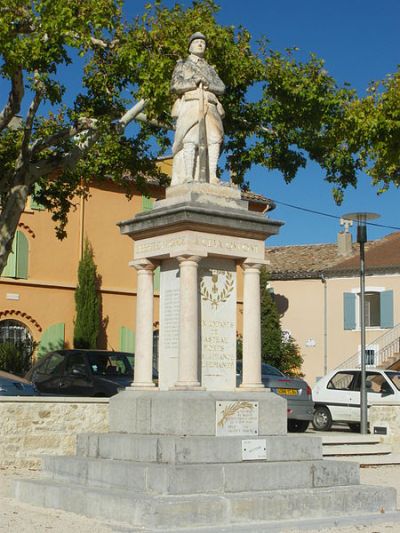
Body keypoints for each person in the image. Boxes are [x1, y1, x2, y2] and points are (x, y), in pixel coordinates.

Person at [170, 32, 225, 185]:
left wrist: (209, 85)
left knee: (214, 139)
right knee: (190, 138)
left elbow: (221, 87)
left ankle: (212, 176)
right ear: (190, 46)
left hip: (210, 104)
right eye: (197, 42)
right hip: (191, 103)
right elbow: (175, 86)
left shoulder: (210, 69)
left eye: (203, 42)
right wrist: (194, 80)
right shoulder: (183, 65)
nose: (200, 44)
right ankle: (188, 176)